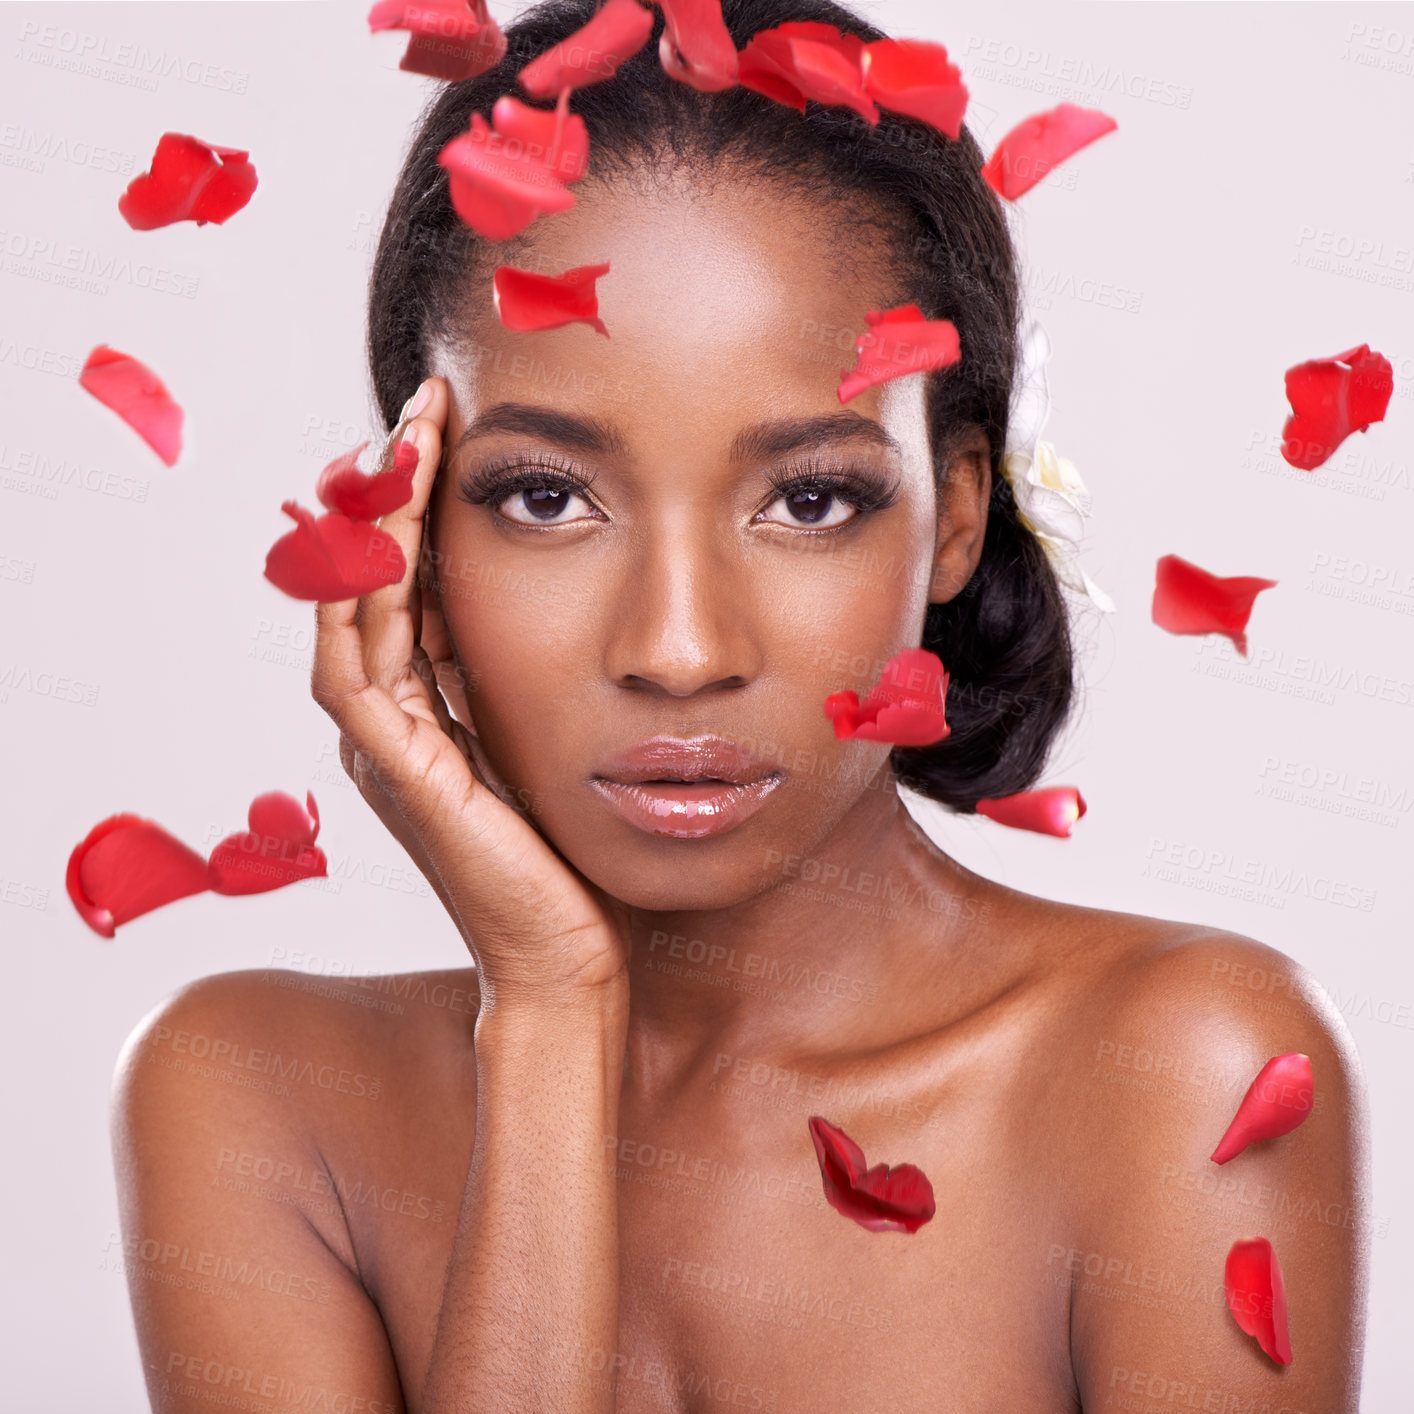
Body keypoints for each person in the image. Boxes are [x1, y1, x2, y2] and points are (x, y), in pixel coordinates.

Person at [111, 1, 1370, 1409]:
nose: (678, 645)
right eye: (546, 497)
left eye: (809, 497)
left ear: (955, 518)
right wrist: (545, 1013)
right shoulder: (256, 1099)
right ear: (408, 528)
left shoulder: (1175, 1071)